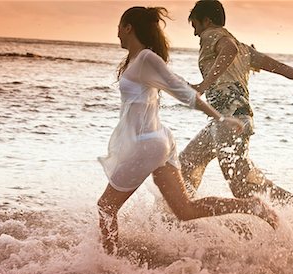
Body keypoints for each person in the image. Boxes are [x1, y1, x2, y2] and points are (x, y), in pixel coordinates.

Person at [97, 6, 278, 255]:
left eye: (119, 26)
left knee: (106, 206)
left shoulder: (146, 59)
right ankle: (252, 206)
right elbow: (179, 82)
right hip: (156, 141)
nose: (117, 32)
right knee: (185, 210)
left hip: (147, 144)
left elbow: (181, 91)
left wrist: (220, 118)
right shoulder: (141, 60)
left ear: (128, 27)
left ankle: (110, 266)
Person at [179, 0, 293, 212]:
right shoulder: (246, 50)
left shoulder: (213, 35)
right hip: (227, 120)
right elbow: (279, 67)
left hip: (230, 120)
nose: (195, 34)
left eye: (195, 27)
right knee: (188, 161)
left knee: (242, 186)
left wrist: (203, 85)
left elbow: (228, 48)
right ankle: (179, 218)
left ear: (207, 21)